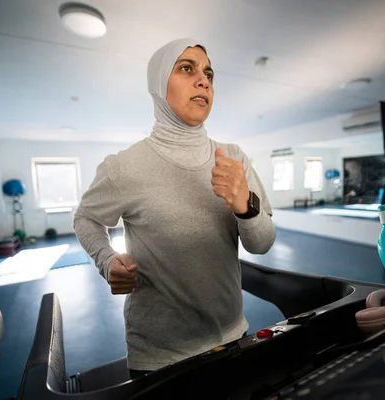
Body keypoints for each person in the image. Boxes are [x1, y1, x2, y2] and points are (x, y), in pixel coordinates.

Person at [74, 38, 276, 378]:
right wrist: (106, 259)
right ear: (157, 85)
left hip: (233, 336)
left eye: (209, 74)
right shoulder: (125, 167)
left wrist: (246, 208)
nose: (204, 80)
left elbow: (262, 244)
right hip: (159, 356)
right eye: (187, 69)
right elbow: (86, 218)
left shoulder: (234, 158)